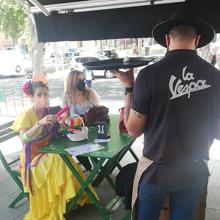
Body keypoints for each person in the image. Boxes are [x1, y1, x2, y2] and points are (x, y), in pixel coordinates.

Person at [112, 10, 220, 220]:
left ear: (167, 39)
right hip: (194, 171)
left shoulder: (148, 75)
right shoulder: (215, 77)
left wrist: (129, 88)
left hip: (156, 173)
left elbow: (133, 129)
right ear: (197, 39)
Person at [12, 80, 97, 220]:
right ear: (32, 97)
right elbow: (23, 140)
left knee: (64, 157)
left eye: (45, 94)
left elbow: (62, 131)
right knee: (60, 158)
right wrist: (40, 123)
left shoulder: (48, 111)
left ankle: (67, 198)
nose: (43, 98)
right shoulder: (26, 115)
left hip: (48, 151)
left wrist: (62, 122)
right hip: (32, 158)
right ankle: (58, 202)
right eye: (39, 95)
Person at [62, 70, 100, 170]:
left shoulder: (90, 93)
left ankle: (95, 168)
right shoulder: (67, 97)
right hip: (77, 131)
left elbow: (98, 110)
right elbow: (66, 117)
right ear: (71, 82)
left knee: (92, 145)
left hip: (92, 129)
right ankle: (89, 168)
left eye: (83, 80)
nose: (81, 82)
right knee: (75, 147)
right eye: (78, 80)